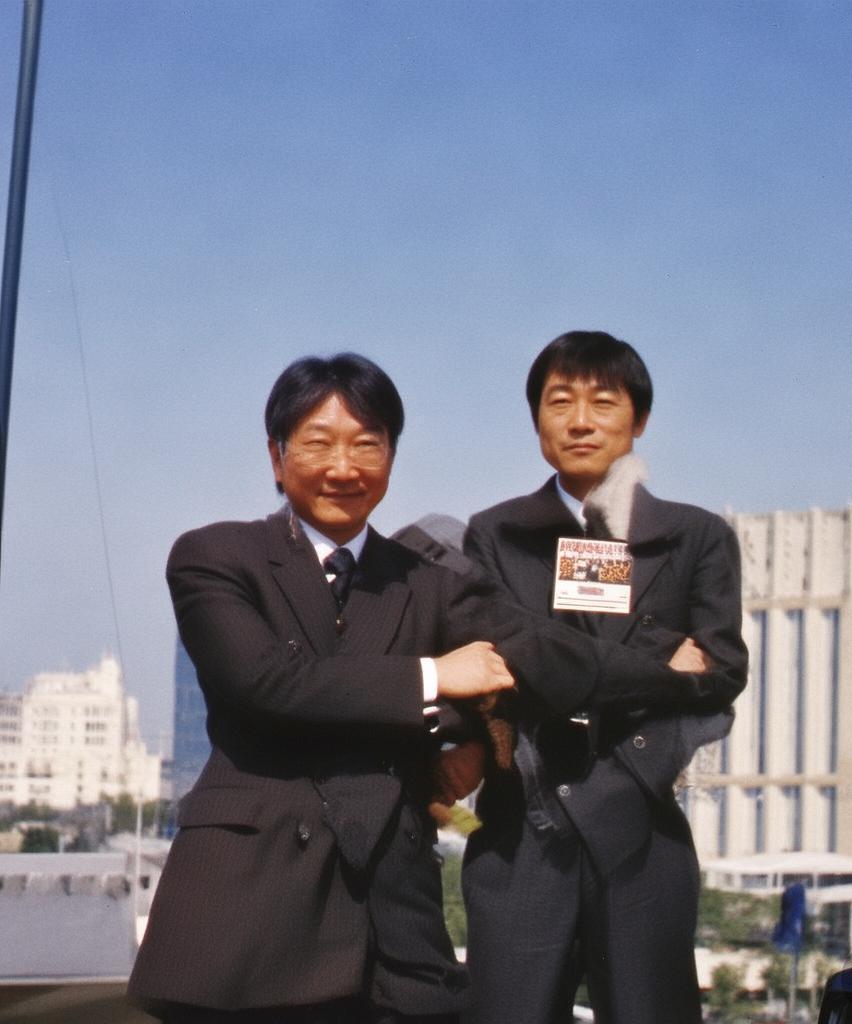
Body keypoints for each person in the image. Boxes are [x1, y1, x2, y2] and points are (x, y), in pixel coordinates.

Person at [128, 352, 722, 1024]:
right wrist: (436, 675)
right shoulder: (216, 555)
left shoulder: (427, 580)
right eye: (319, 443)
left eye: (367, 445)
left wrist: (667, 672)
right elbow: (268, 683)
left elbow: (537, 649)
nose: (344, 467)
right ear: (276, 456)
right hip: (248, 900)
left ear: (391, 457)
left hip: (390, 911)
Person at [461, 331, 748, 1024]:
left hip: (642, 830)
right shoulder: (494, 535)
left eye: (603, 402)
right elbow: (512, 660)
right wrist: (658, 663)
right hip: (522, 831)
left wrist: (562, 668)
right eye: (560, 402)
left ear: (638, 418)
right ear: (537, 419)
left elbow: (722, 673)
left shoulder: (696, 537)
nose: (580, 421)